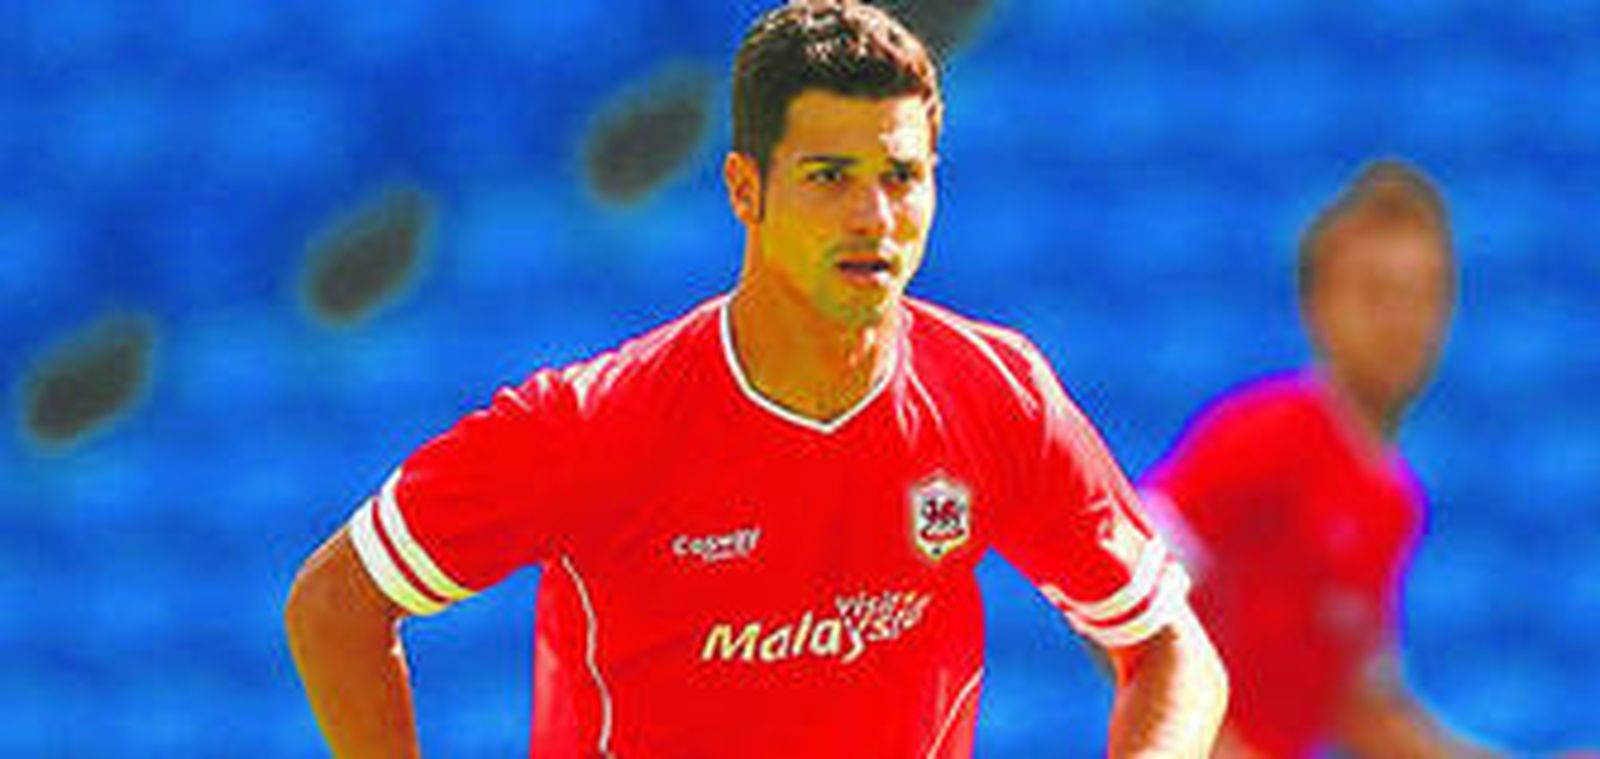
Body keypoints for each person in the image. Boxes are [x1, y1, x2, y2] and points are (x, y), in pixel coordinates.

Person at [285, 2, 1226, 756]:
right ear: (746, 188)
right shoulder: (592, 423)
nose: (873, 216)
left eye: (902, 176)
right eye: (829, 175)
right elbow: (337, 602)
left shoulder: (996, 394)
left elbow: (1173, 647)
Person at [1139, 160, 1496, 758]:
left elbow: (1359, 707)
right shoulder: (1265, 437)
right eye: (1375, 293)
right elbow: (1121, 585)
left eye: (1424, 295)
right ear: (1318, 303)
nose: (1402, 321)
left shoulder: (1389, 498)